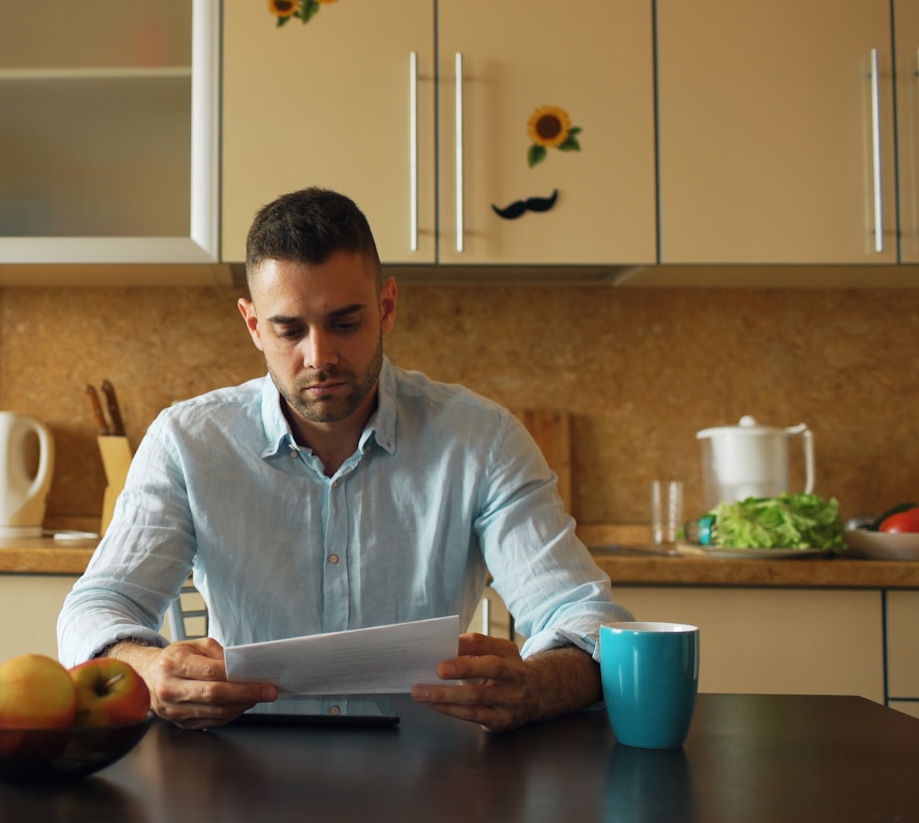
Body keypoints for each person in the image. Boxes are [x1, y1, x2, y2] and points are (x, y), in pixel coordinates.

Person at [57, 186, 632, 732]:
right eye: (288, 329)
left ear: (386, 307)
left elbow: (589, 619)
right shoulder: (186, 441)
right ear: (254, 326)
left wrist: (533, 687)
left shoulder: (483, 440)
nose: (319, 355)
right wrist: (147, 666)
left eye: (345, 322)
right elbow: (96, 607)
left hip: (431, 770)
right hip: (240, 765)